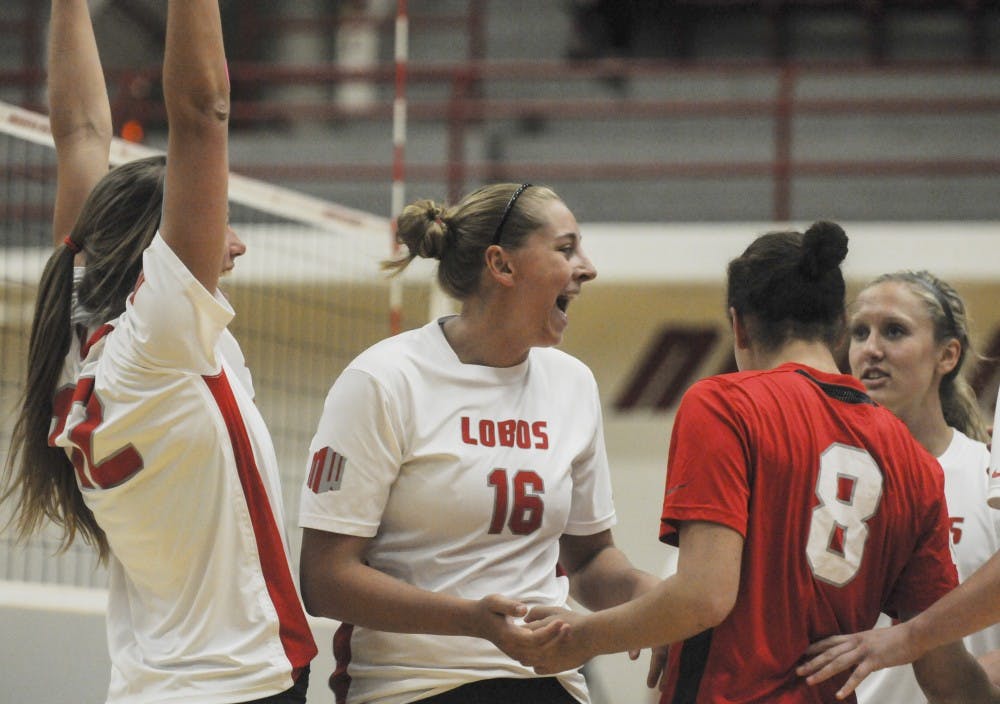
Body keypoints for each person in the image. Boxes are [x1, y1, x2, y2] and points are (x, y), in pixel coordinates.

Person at [522, 221, 1000, 703]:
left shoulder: (725, 403)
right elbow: (944, 669)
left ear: (739, 325)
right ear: (838, 330)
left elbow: (702, 597)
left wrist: (582, 637)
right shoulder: (915, 463)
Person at [0, 1, 317, 702]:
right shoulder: (157, 339)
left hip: (157, 685)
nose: (231, 243)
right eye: (220, 222)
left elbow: (81, 131)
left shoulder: (82, 328)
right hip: (236, 685)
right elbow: (203, 111)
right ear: (158, 251)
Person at [297, 182, 659, 704]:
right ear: (502, 265)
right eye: (565, 248)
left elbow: (589, 560)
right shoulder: (384, 379)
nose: (587, 267)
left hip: (545, 679)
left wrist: (648, 600)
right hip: (414, 685)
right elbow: (325, 579)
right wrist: (472, 621)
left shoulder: (572, 383)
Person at [844, 271, 1000, 702]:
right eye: (860, 333)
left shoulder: (987, 476)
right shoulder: (825, 479)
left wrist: (982, 674)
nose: (871, 349)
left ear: (947, 355)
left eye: (894, 331)